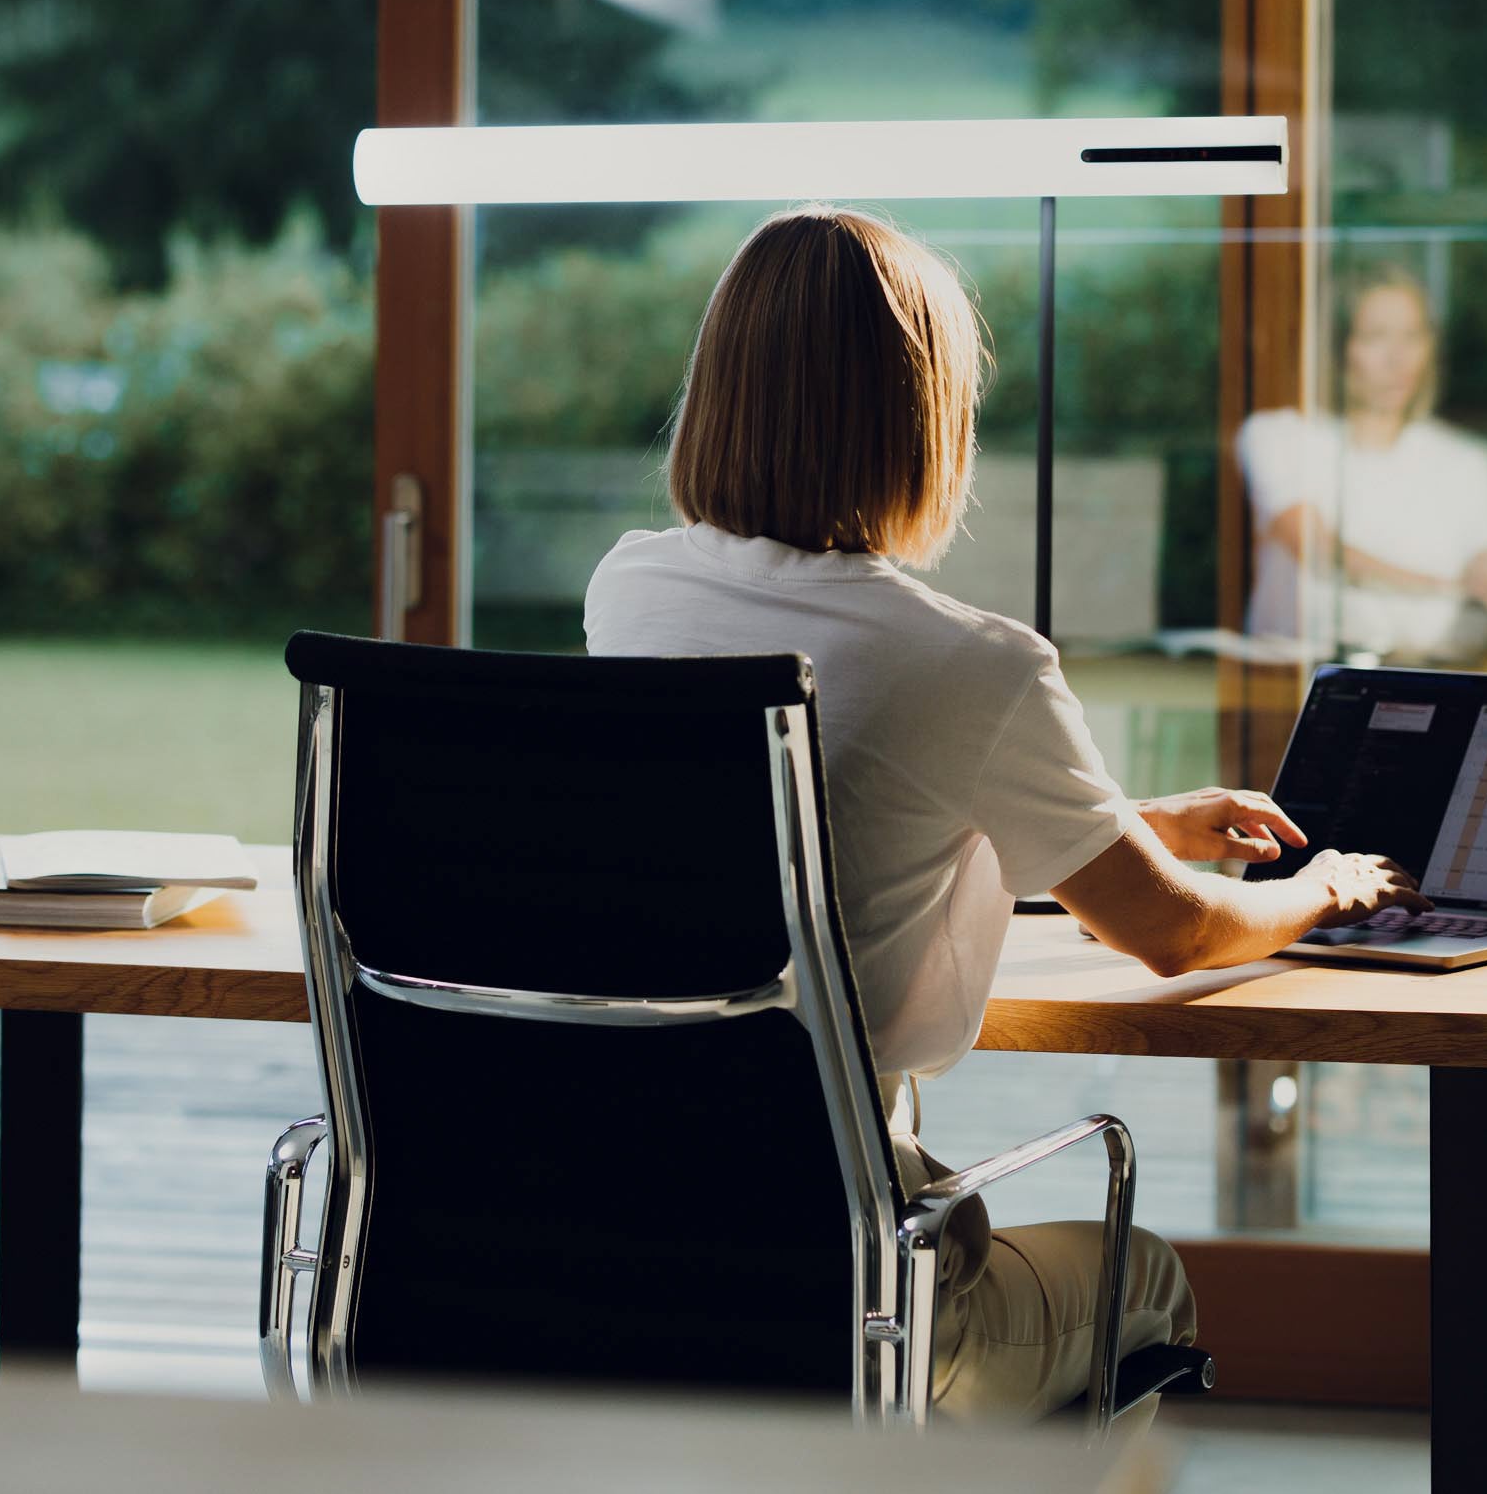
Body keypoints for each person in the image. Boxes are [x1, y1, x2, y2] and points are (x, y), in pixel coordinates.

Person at [584, 207, 1418, 1424]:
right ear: (921, 422)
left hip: (616, 1249)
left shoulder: (631, 591)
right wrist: (1323, 883)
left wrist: (1120, 817)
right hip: (855, 1291)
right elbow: (1176, 935)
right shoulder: (970, 666)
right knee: (1146, 1274)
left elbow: (794, 818)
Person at [1234, 268, 1487, 660]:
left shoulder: (1470, 461)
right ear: (1334, 347)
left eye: (1412, 337)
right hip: (1301, 683)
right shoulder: (1277, 437)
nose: (1397, 359)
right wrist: (1445, 588)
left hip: (1437, 678)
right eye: (1375, 337)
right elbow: (1317, 548)